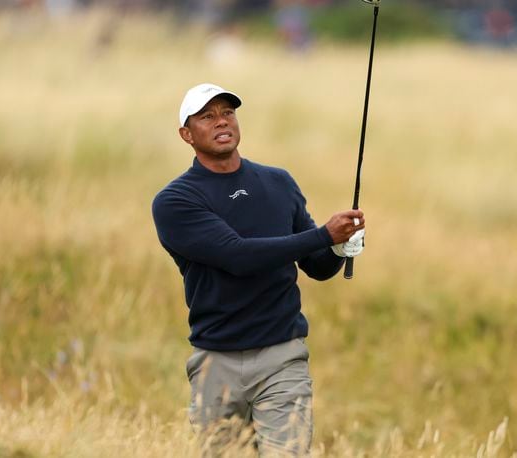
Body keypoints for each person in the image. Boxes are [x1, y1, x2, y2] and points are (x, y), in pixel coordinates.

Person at [151, 83, 366, 455]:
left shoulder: (277, 182)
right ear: (186, 135)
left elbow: (314, 267)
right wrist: (322, 235)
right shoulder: (175, 201)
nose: (221, 122)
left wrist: (337, 247)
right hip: (215, 363)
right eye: (207, 116)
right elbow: (238, 256)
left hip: (281, 357)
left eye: (227, 113)